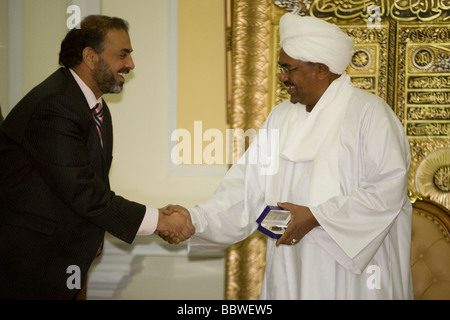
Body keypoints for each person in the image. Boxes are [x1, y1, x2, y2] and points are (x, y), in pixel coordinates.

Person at [163, 13, 413, 299]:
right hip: (290, 268)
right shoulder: (280, 118)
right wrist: (195, 219)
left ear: (320, 68)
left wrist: (316, 217)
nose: (281, 77)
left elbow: (386, 192)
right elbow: (246, 191)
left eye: (288, 68)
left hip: (355, 276)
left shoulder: (370, 114)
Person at [0, 15, 194, 299]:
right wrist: (160, 221)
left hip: (65, 260)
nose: (130, 64)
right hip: (30, 266)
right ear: (90, 57)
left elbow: (89, 188)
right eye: (123, 54)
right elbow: (84, 192)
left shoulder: (92, 107)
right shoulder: (56, 105)